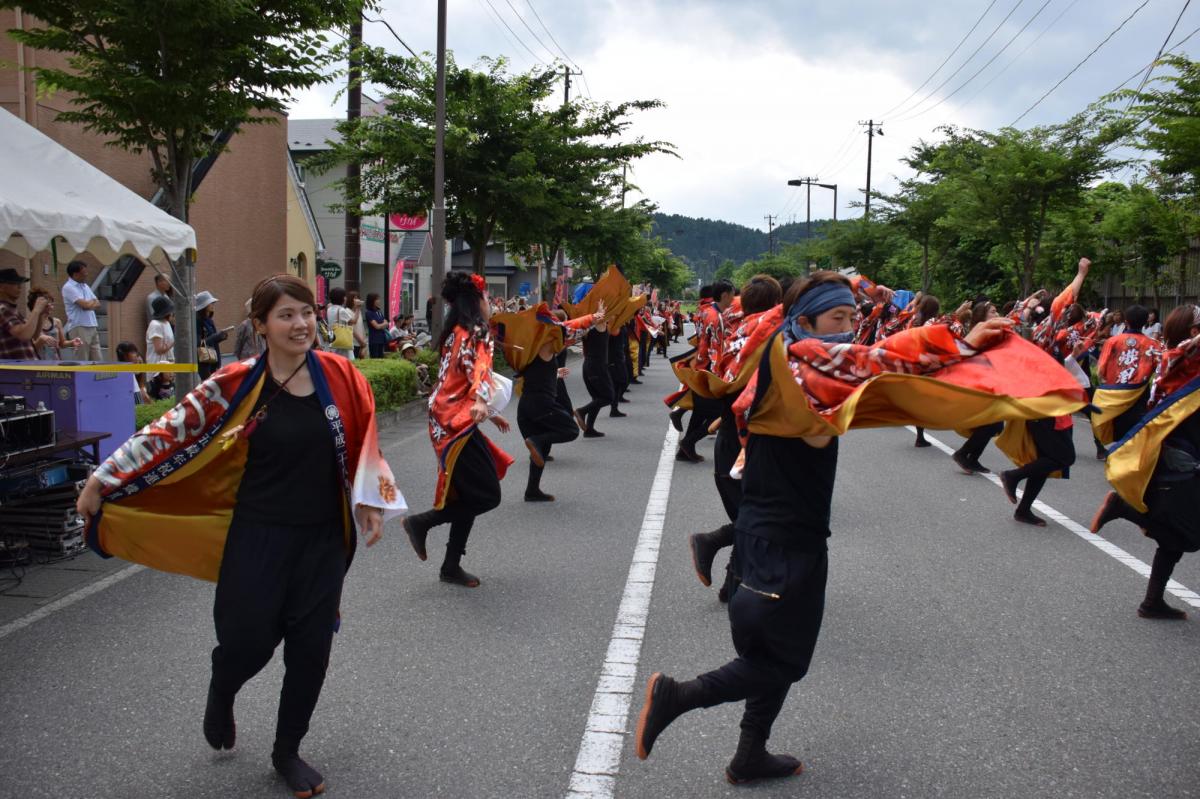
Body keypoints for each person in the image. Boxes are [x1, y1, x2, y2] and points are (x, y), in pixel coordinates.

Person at [635, 271, 1085, 786]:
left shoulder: (781, 361)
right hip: (785, 547)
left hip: (766, 537)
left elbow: (860, 358)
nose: (847, 328)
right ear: (805, 323)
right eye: (837, 318)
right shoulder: (804, 370)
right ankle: (678, 696)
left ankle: (749, 753)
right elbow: (876, 359)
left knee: (773, 655)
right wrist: (959, 343)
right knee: (782, 664)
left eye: (852, 317)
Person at [76, 274, 405, 799]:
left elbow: (366, 442)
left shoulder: (343, 376)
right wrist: (101, 479)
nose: (301, 324)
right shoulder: (235, 382)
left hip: (322, 539)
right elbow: (167, 430)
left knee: (311, 650)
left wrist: (370, 501)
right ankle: (223, 684)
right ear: (261, 325)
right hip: (257, 535)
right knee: (247, 643)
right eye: (286, 315)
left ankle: (286, 751)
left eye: (307, 312)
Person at [402, 272, 514, 588]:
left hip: (445, 421)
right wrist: (481, 401)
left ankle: (451, 565)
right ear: (477, 300)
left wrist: (488, 411)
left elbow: (458, 378)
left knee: (469, 492)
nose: (490, 304)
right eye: (487, 298)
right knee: (487, 494)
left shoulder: (454, 333)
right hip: (458, 423)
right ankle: (421, 522)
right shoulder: (477, 331)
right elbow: (480, 368)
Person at [1091, 304, 1200, 620]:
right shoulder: (1183, 358)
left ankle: (1152, 603)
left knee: (1176, 539)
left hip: (1172, 450)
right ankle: (1125, 508)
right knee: (1187, 534)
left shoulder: (1170, 355)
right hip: (1183, 453)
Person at [998, 258, 1091, 526]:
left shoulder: (1027, 334)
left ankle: (1023, 509)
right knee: (1064, 456)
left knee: (1046, 458)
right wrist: (1081, 274)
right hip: (1043, 404)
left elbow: (1020, 315)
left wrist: (1030, 302)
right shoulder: (1044, 333)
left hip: (1046, 402)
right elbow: (1064, 302)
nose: (1066, 316)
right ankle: (1013, 476)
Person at [0, 268, 54, 360]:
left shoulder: (11, 309)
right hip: (16, 367)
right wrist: (36, 310)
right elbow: (24, 335)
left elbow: (34, 335)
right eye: (14, 283)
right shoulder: (2, 309)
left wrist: (40, 314)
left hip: (25, 365)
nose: (19, 286)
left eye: (19, 283)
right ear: (1, 287)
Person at [62, 260, 103, 360]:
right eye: (84, 272)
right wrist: (90, 303)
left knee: (98, 360)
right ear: (75, 274)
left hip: (92, 325)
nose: (86, 274)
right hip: (79, 326)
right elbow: (85, 305)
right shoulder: (68, 287)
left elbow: (98, 303)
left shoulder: (85, 286)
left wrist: (89, 304)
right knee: (82, 359)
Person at [28, 288, 80, 360]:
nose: (50, 306)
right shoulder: (30, 323)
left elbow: (62, 343)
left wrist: (72, 342)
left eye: (51, 303)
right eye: (46, 304)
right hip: (38, 362)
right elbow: (30, 350)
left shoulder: (56, 322)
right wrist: (41, 340)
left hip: (55, 361)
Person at [196, 291, 232, 381]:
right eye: (210, 303)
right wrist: (216, 336)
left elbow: (212, 339)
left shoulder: (209, 320)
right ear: (204, 305)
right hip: (204, 361)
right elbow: (198, 343)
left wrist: (221, 337)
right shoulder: (197, 321)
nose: (213, 305)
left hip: (214, 358)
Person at [145, 297, 176, 400]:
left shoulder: (166, 323)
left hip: (168, 365)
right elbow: (159, 349)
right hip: (157, 368)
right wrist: (175, 341)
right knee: (159, 396)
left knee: (169, 395)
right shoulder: (155, 325)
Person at [326, 287, 356, 360]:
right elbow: (353, 321)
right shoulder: (341, 310)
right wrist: (358, 308)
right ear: (341, 298)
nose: (346, 298)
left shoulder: (329, 309)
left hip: (332, 336)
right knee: (347, 359)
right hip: (341, 337)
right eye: (344, 296)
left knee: (334, 358)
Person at [364, 293, 388, 359]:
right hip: (374, 339)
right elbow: (376, 326)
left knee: (381, 357)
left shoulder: (379, 312)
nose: (379, 301)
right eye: (376, 299)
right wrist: (383, 324)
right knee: (375, 358)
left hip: (381, 338)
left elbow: (386, 323)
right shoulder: (369, 313)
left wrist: (382, 325)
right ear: (372, 301)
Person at [346, 291, 367, 359]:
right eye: (355, 298)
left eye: (358, 298)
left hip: (360, 342)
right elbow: (351, 328)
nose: (357, 300)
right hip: (353, 342)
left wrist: (363, 341)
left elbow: (361, 327)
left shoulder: (359, 311)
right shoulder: (347, 311)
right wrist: (361, 341)